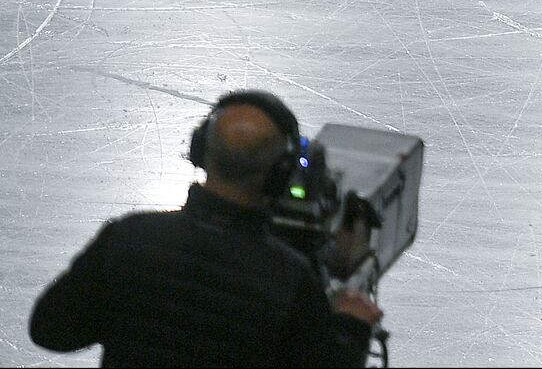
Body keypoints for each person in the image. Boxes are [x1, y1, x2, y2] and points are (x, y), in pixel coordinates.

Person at [29, 91, 383, 367]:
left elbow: (50, 331)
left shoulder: (130, 239)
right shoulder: (289, 280)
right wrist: (351, 325)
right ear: (280, 174)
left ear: (200, 149)